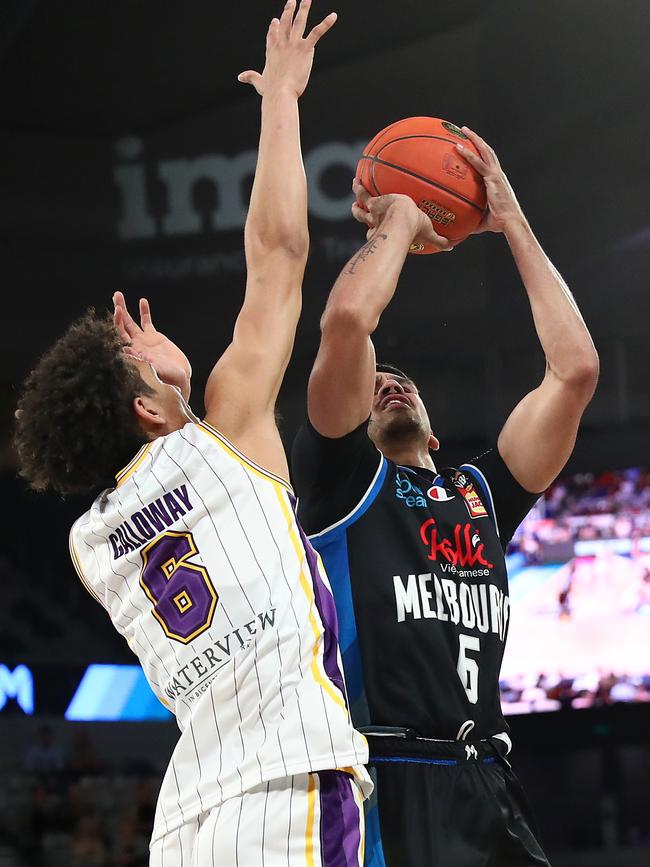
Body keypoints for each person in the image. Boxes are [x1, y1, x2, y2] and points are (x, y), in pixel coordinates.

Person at [15, 3, 371, 864]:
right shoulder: (229, 426)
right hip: (286, 780)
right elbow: (279, 254)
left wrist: (162, 387)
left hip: (186, 823)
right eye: (138, 356)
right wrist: (280, 97)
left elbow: (175, 489)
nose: (154, 339)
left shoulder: (89, 542)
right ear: (146, 406)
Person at [291, 127, 599, 866]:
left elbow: (576, 369)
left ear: (433, 433)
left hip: (488, 775)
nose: (388, 383)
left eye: (403, 381)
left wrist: (510, 221)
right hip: (386, 776)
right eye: (373, 385)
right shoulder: (341, 482)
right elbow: (345, 322)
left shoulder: (479, 494)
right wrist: (400, 218)